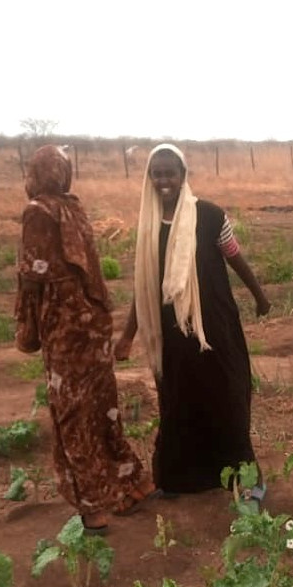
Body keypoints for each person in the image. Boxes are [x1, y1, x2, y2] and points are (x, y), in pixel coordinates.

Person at [115, 143, 270, 500]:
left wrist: (260, 296)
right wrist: (126, 337)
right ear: (148, 178)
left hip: (212, 328)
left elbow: (235, 258)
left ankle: (252, 478)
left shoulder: (211, 215)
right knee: (178, 403)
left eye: (169, 172)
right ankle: (178, 479)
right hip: (171, 337)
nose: (163, 179)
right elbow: (144, 288)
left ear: (183, 176)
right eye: (156, 173)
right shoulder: (149, 226)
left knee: (227, 398)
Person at [15, 145, 154, 534]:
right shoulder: (73, 207)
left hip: (64, 326)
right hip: (94, 323)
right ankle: (131, 484)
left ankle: (93, 505)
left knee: (72, 412)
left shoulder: (37, 211)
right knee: (101, 404)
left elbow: (31, 275)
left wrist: (26, 330)